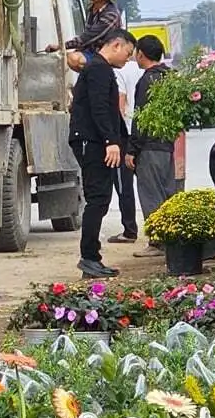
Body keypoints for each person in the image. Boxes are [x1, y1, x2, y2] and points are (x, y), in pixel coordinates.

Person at [68, 29, 137, 278]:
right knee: (97, 199)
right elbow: (99, 108)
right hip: (91, 142)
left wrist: (124, 142)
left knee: (102, 199)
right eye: (128, 53)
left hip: (97, 141)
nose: (128, 60)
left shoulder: (103, 70)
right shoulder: (98, 69)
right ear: (116, 45)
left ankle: (92, 257)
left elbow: (112, 112)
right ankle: (89, 257)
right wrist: (110, 141)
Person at [128, 35, 180, 239]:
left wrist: (132, 149)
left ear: (141, 54)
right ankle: (171, 238)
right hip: (167, 146)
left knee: (150, 195)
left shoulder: (147, 80)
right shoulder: (171, 77)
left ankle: (157, 241)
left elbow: (141, 117)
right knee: (167, 194)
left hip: (148, 148)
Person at [47, 0, 124, 63]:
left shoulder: (111, 15)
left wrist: (60, 47)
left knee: (73, 59)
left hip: (105, 56)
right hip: (93, 52)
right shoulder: (92, 9)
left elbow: (89, 37)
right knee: (60, 58)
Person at [111, 46, 145, 243]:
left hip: (127, 135)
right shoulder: (144, 71)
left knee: (125, 186)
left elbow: (120, 104)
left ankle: (130, 230)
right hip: (147, 136)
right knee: (150, 185)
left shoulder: (119, 71)